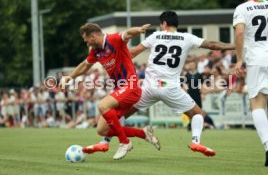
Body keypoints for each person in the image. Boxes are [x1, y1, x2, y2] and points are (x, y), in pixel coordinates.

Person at [87, 11, 235, 157]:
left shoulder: (155, 35)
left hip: (149, 87)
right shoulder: (187, 37)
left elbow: (132, 53)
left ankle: (105, 141)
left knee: (118, 114)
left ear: (163, 24)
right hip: (170, 88)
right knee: (198, 114)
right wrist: (236, 45)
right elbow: (213, 45)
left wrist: (112, 61)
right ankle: (195, 141)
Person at [58, 23, 159, 160]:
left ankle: (125, 143)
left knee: (102, 105)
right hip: (121, 90)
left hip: (131, 86)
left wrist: (139, 30)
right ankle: (143, 133)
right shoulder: (95, 51)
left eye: (86, 39)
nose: (86, 43)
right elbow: (84, 66)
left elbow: (127, 33)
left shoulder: (113, 39)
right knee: (102, 130)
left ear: (93, 36)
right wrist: (69, 77)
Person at [233, 0, 268, 166]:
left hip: (257, 60)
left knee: (257, 103)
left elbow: (240, 33)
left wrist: (239, 59)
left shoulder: (242, 8)